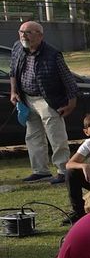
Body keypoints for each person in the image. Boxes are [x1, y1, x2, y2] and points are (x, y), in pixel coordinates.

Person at [9, 19, 77, 184]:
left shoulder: (53, 54)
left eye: (28, 33)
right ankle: (40, 171)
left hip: (48, 100)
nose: (23, 36)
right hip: (27, 98)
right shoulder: (18, 47)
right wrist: (13, 91)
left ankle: (62, 171)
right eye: (21, 32)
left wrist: (72, 102)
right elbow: (13, 71)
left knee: (56, 136)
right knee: (32, 136)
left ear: (40, 36)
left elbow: (68, 80)